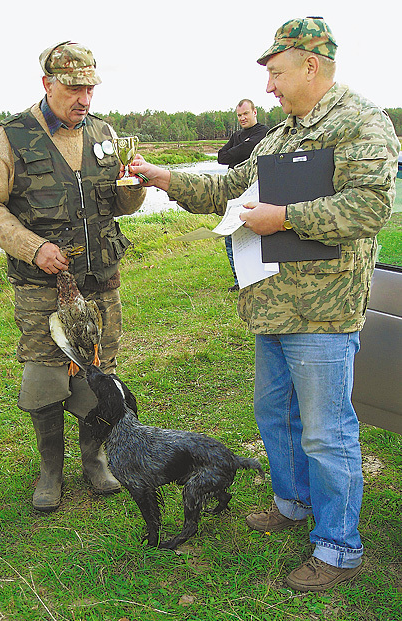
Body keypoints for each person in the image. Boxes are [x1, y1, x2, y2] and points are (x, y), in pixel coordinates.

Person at [129, 17, 399, 591]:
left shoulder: (361, 124)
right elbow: (230, 186)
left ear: (311, 64)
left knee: (327, 432)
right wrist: (162, 176)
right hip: (271, 305)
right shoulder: (281, 136)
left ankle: (337, 547)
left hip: (322, 310)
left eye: (276, 74)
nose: (270, 88)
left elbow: (372, 207)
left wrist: (287, 218)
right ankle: (293, 504)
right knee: (275, 416)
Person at [0, 41, 146, 512]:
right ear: (47, 84)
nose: (83, 98)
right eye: (73, 88)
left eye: (89, 88)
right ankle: (51, 469)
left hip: (101, 282)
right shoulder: (10, 139)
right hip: (42, 289)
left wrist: (135, 187)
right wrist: (33, 247)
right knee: (46, 381)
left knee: (101, 375)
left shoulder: (105, 134)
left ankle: (94, 460)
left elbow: (118, 205)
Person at [217, 100, 268, 291]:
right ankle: (240, 280)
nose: (242, 118)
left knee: (254, 236)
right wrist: (241, 148)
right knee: (231, 237)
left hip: (254, 191)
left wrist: (237, 151)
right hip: (235, 193)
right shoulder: (237, 135)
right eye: (239, 115)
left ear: (255, 112)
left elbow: (250, 148)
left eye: (246, 113)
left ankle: (256, 276)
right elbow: (222, 157)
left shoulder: (263, 132)